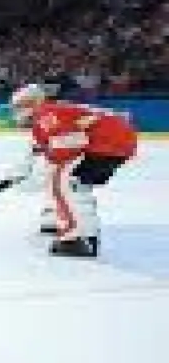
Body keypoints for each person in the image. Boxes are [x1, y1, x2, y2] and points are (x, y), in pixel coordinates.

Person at [10, 83, 137, 257]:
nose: (16, 112)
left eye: (19, 107)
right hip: (111, 141)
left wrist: (39, 175)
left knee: (68, 183)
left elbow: (70, 143)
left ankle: (80, 237)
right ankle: (56, 218)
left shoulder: (47, 114)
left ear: (32, 104)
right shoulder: (47, 116)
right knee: (59, 177)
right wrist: (23, 172)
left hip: (108, 144)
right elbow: (38, 150)